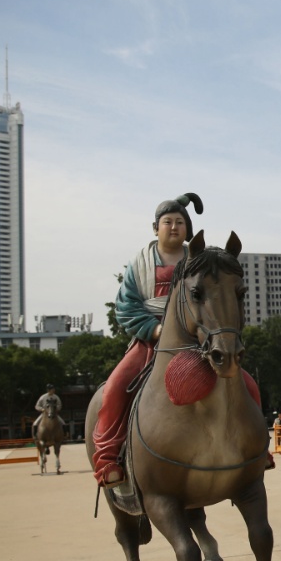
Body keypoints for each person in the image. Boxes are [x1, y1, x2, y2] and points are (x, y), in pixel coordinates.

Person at [91, 193, 203, 487]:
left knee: (242, 381)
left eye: (180, 222)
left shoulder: (199, 261)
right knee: (115, 387)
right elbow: (126, 307)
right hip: (151, 342)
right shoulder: (138, 265)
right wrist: (155, 330)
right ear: (155, 228)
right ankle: (107, 458)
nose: (174, 227)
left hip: (196, 341)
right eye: (168, 222)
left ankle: (253, 448)